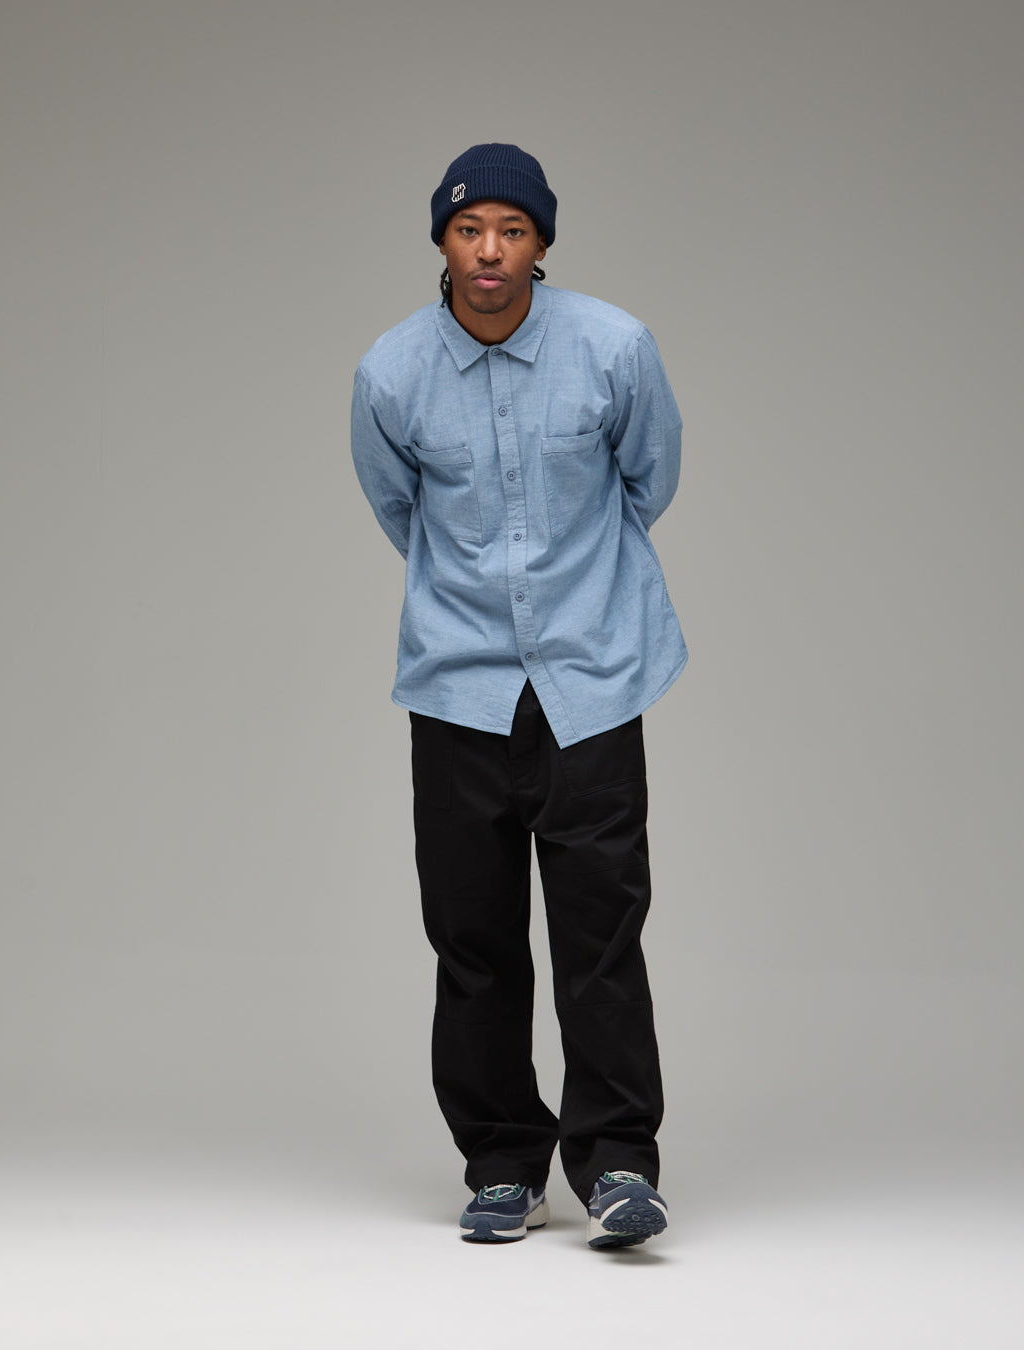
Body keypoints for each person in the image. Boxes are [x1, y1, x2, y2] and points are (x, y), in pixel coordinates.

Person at [351, 144, 686, 1248]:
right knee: (473, 939)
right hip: (459, 688)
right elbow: (399, 509)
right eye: (469, 230)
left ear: (541, 244)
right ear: (442, 243)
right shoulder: (391, 371)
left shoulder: (613, 347)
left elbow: (649, 478)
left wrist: (578, 588)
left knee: (602, 934)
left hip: (592, 677)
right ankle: (501, 1163)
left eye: (512, 230)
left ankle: (618, 1164)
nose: (489, 251)